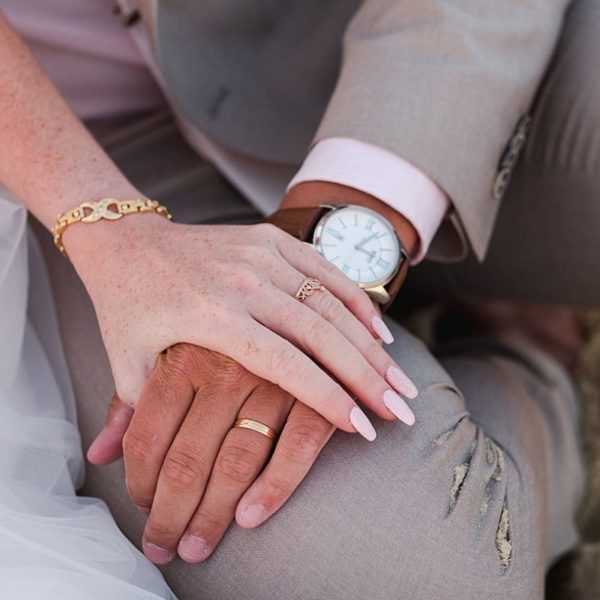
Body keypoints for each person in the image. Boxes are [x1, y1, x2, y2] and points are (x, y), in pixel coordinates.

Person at [0, 0, 595, 597]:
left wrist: (343, 233)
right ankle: (524, 357)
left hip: (353, 42)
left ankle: (410, 257)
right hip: (51, 171)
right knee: (420, 577)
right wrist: (120, 242)